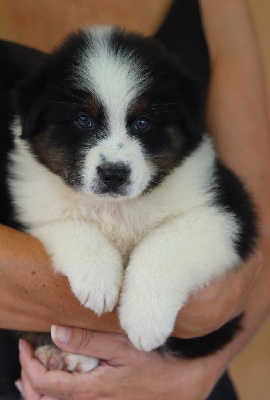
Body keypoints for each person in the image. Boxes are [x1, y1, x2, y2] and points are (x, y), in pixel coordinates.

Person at [0, 0, 270, 399]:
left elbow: (242, 227)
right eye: (82, 121)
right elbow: (206, 304)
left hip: (180, 381)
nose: (114, 159)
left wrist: (192, 375)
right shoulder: (38, 179)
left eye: (142, 123)